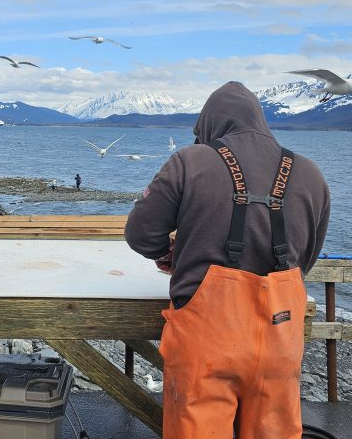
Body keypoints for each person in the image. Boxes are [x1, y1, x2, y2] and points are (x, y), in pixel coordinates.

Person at [124, 82, 330, 439]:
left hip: (206, 338)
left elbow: (140, 232)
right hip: (281, 332)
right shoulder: (311, 173)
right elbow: (305, 260)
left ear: (208, 124)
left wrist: (168, 255)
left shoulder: (191, 161)